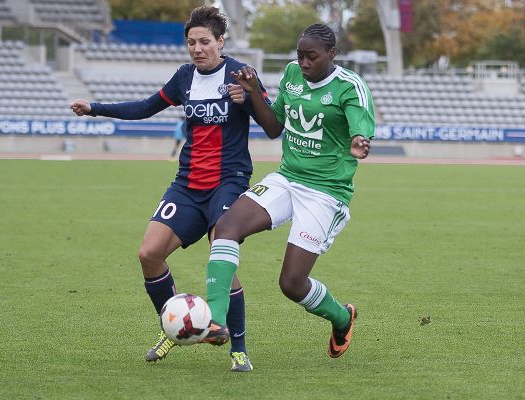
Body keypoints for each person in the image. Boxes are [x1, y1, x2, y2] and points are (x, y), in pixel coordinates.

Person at [70, 6, 270, 372]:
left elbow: (270, 118)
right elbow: (146, 107)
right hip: (187, 185)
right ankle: (175, 326)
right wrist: (96, 108)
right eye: (191, 42)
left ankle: (237, 347)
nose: (197, 48)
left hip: (228, 184)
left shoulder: (242, 74)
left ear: (221, 41)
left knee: (220, 257)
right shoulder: (183, 77)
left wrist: (251, 99)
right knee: (148, 253)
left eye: (205, 41)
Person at [202, 23, 374, 359]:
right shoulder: (293, 74)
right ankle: (215, 321)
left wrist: (359, 141)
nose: (305, 63)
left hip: (325, 192)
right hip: (287, 178)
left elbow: (361, 130)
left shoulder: (349, 86)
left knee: (292, 284)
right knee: (225, 228)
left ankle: (342, 317)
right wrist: (253, 92)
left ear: (331, 54)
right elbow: (273, 127)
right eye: (300, 55)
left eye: (312, 56)